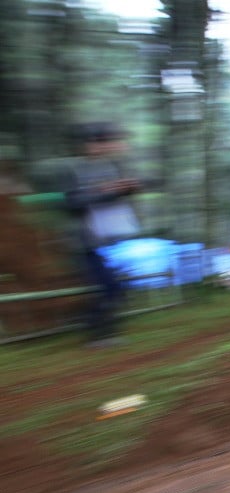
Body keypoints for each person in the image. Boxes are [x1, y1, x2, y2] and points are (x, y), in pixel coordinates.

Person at [63, 122, 144, 347]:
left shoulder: (112, 167)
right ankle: (97, 333)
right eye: (104, 141)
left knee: (117, 288)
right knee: (110, 288)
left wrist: (127, 189)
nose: (111, 146)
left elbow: (115, 197)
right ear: (90, 144)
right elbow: (72, 202)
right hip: (85, 242)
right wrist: (105, 191)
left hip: (111, 240)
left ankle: (103, 330)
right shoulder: (74, 170)